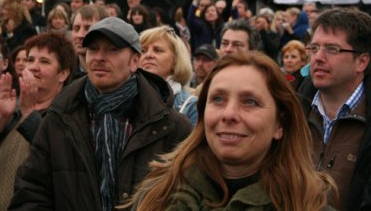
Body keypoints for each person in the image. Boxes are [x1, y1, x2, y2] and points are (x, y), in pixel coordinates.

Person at [9, 17, 192, 211]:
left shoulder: (170, 126)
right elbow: (30, 192)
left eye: (112, 49)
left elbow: (186, 198)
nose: (99, 57)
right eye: (93, 49)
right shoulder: (59, 118)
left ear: (135, 61)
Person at [129, 51, 337, 211]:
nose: (228, 114)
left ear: (279, 124)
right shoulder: (156, 195)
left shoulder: (308, 204)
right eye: (218, 99)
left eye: (250, 102)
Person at [0, 33, 75, 210]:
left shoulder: (68, 115)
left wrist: (29, 113)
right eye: (30, 60)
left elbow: (59, 160)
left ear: (63, 74)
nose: (34, 67)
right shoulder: (11, 108)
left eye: (44, 61)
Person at [298, 8, 371, 211]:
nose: (318, 57)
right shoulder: (290, 111)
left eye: (332, 49)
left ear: (362, 61)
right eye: (314, 48)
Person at [139, 25, 198, 127]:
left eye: (157, 50)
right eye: (143, 51)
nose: (148, 55)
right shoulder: (126, 99)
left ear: (176, 60)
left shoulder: (191, 106)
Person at [71, 5, 108, 77]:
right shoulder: (63, 72)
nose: (80, 35)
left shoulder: (116, 72)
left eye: (88, 28)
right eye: (76, 28)